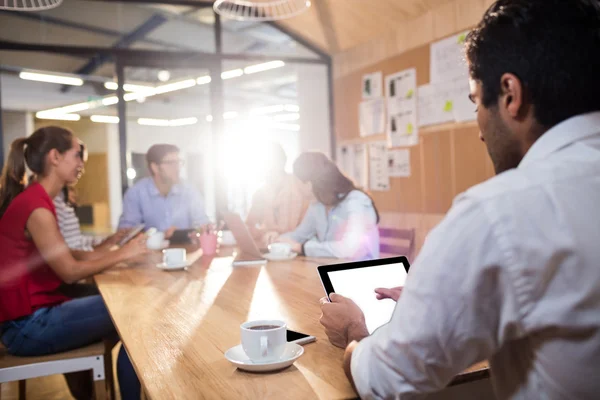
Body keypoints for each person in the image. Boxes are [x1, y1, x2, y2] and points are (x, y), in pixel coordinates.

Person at [319, 0, 600, 398]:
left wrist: (354, 329)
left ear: (509, 94)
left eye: (474, 102)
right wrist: (436, 300)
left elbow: (384, 379)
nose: (480, 130)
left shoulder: (498, 212)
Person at [0, 126, 148, 400]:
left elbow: (70, 254)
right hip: (27, 328)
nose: (81, 163)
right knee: (134, 312)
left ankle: (91, 392)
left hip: (33, 317)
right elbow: (69, 272)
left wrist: (114, 252)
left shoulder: (38, 200)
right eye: (76, 155)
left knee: (125, 304)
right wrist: (123, 253)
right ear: (55, 157)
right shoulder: (37, 207)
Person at [273, 152, 379, 260]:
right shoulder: (317, 205)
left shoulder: (356, 201)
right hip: (330, 268)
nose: (295, 188)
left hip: (360, 271)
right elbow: (299, 235)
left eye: (296, 182)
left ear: (308, 184)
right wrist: (278, 240)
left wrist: (302, 248)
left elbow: (349, 248)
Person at [118, 143, 210, 233]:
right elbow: (126, 233)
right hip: (149, 248)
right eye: (171, 163)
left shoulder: (190, 190)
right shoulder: (136, 193)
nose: (177, 168)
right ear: (155, 167)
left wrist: (196, 231)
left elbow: (203, 225)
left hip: (186, 247)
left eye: (178, 162)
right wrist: (160, 236)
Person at [245, 142, 311, 247]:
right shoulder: (260, 194)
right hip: (271, 249)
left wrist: (280, 236)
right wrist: (264, 233)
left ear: (281, 162)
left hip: (296, 248)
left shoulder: (300, 185)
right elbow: (248, 227)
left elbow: (309, 226)